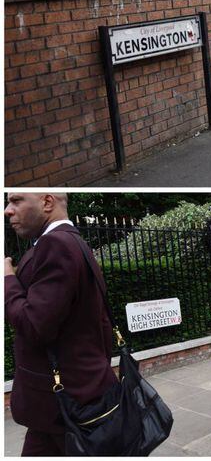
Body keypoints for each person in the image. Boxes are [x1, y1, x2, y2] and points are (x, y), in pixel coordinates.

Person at [4, 193, 117, 456]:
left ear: (46, 203)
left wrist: (7, 280)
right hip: (61, 402)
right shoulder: (73, 242)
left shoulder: (56, 244)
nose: (8, 211)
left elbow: (33, 325)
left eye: (16, 200)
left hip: (64, 403)